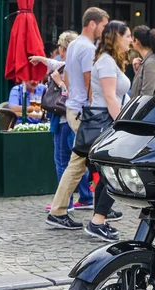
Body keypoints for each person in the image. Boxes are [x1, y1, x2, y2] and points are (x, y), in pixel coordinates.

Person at [45, 7, 112, 230]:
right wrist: (92, 108)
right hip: (85, 112)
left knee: (83, 162)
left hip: (75, 108)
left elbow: (66, 77)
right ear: (93, 24)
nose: (105, 30)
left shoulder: (74, 45)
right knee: (80, 163)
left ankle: (94, 208)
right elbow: (89, 82)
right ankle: (65, 210)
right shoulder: (87, 48)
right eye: (103, 25)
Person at [31, 31, 94, 212]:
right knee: (77, 160)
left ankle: (64, 201)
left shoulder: (69, 67)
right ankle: (85, 196)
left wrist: (59, 82)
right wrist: (40, 58)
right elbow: (54, 63)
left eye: (60, 47)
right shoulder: (75, 63)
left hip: (64, 118)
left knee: (62, 161)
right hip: (73, 118)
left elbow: (73, 91)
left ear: (64, 48)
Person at [83, 21, 132, 241]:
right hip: (108, 122)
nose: (131, 39)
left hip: (109, 121)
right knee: (115, 173)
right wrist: (123, 124)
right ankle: (98, 220)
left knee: (107, 173)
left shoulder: (110, 61)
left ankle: (98, 219)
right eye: (128, 35)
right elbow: (110, 96)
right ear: (117, 37)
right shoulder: (106, 62)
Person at [130, 25, 155, 98]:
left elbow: (145, 96)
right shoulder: (149, 61)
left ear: (136, 41)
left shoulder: (151, 63)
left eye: (132, 38)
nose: (130, 41)